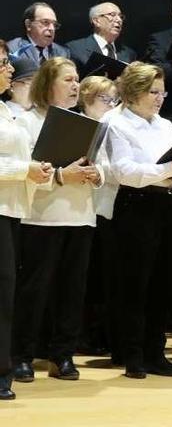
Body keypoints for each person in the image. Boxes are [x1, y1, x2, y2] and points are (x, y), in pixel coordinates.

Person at [105, 62, 172, 379]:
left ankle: (156, 351)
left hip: (171, 204)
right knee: (135, 282)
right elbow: (125, 172)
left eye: (162, 92)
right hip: (138, 205)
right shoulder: (117, 124)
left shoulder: (163, 125)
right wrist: (171, 169)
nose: (159, 98)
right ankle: (132, 354)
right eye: (153, 92)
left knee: (165, 281)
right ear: (133, 92)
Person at [11, 58, 103, 383]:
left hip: (81, 217)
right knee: (34, 291)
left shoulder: (86, 121)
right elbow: (25, 172)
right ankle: (21, 355)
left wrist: (95, 173)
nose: (76, 85)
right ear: (48, 83)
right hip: (42, 218)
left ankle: (62, 355)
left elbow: (103, 167)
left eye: (77, 79)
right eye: (68, 79)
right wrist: (63, 176)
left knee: (72, 291)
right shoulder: (26, 122)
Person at [0, 40, 53, 400]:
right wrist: (25, 169)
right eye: (3, 62)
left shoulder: (6, 112)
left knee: (5, 295)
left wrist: (41, 171)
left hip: (10, 209)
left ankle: (2, 369)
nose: (9, 69)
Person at [77, 75, 120, 356]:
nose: (112, 105)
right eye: (106, 99)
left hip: (104, 207)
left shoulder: (111, 126)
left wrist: (101, 172)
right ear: (88, 98)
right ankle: (81, 334)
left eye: (115, 100)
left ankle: (100, 334)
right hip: (79, 208)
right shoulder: (78, 125)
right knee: (84, 276)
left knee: (103, 275)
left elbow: (110, 166)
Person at [66, 1, 137, 76]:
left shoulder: (129, 54)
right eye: (112, 15)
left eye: (120, 16)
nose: (119, 20)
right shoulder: (75, 49)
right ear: (96, 21)